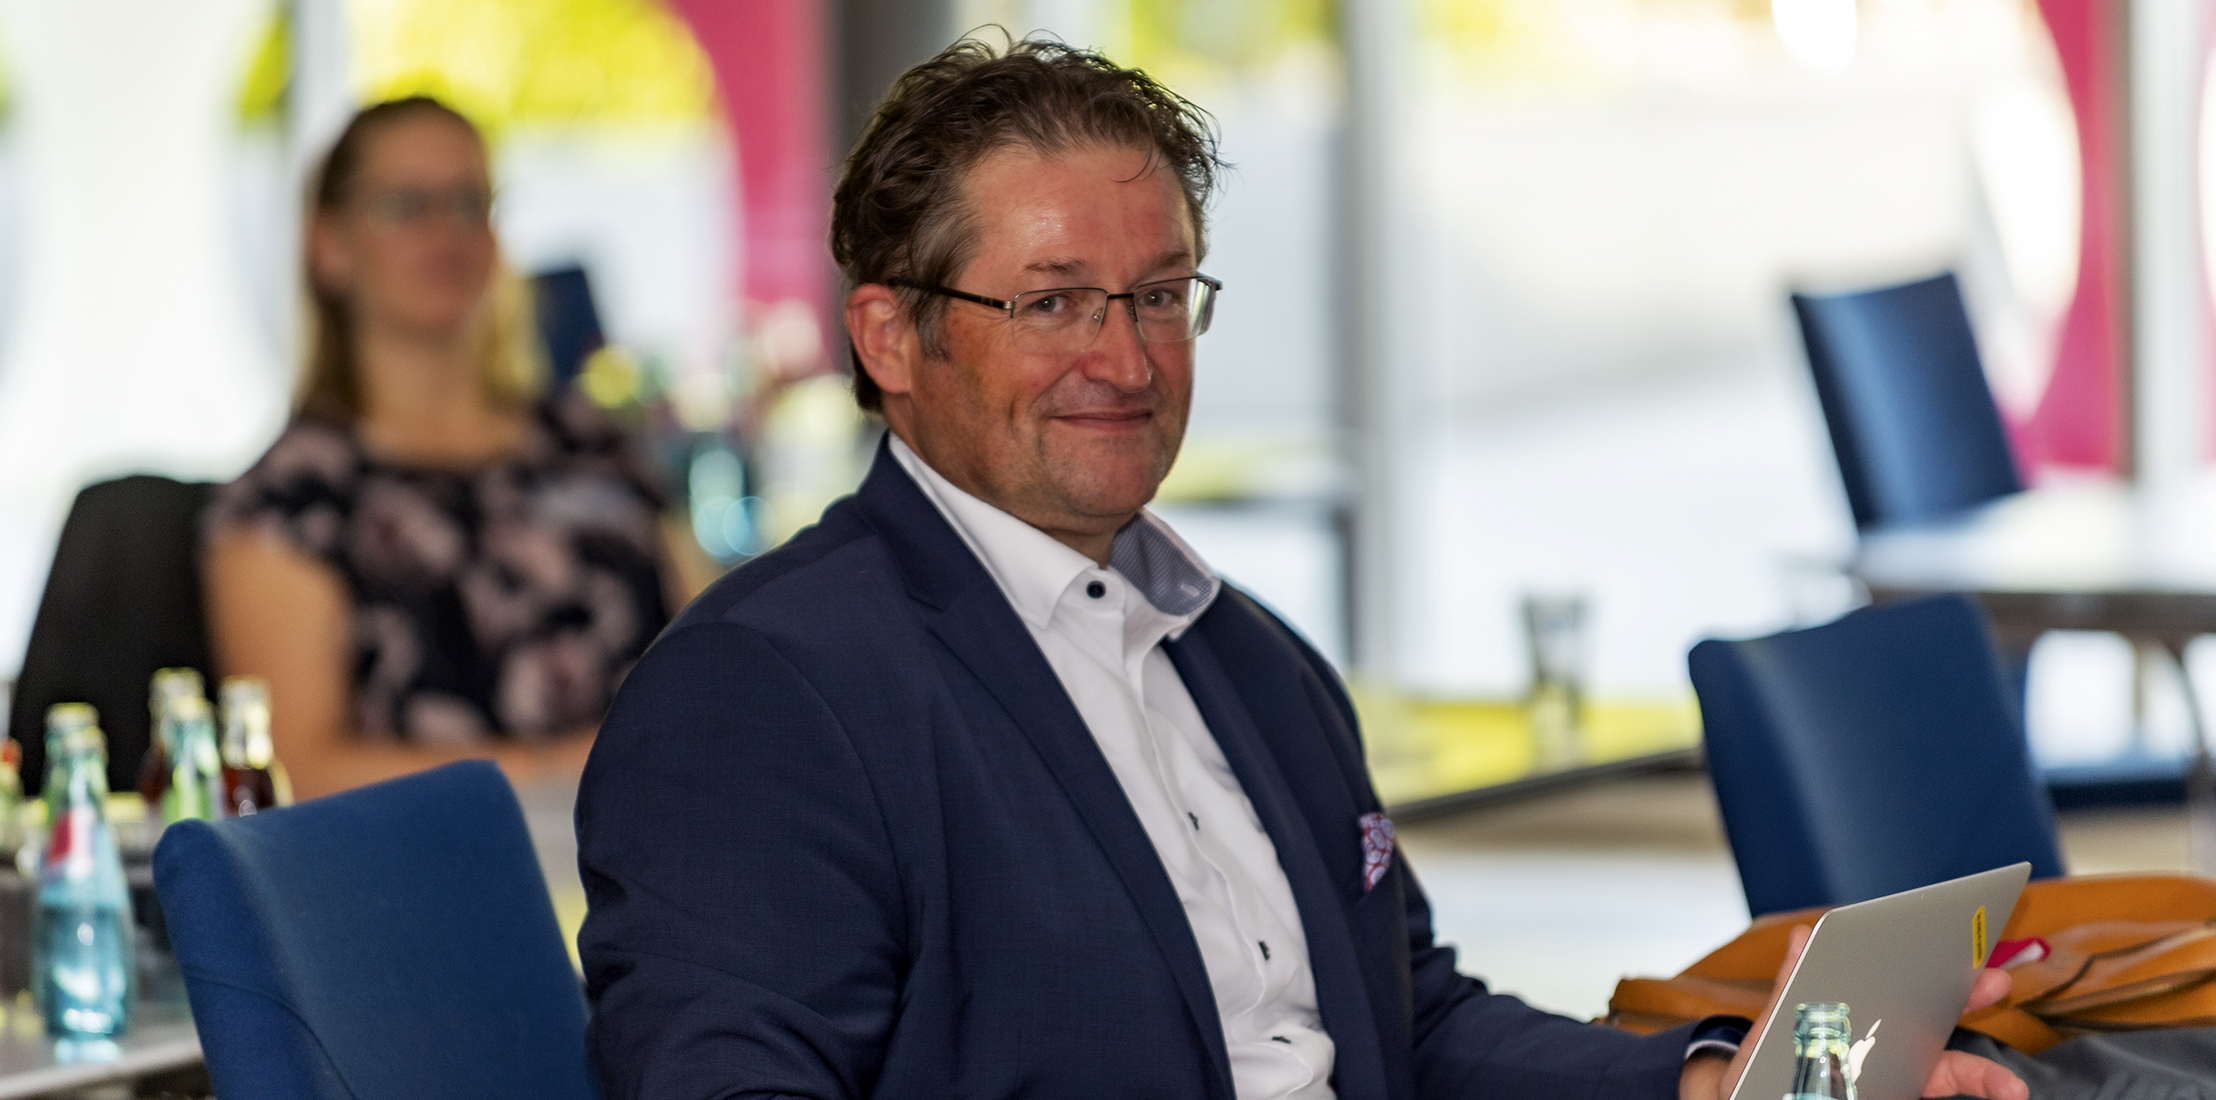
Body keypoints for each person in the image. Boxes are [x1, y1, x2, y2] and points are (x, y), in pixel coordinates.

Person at [575, 39, 2025, 1100]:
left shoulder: (1245, 653)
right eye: (1054, 302)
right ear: (892, 338)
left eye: (1159, 294)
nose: (1126, 359)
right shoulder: (765, 688)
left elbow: (1414, 1025)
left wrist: (1722, 1082)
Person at [205, 97, 695, 800]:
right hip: (440, 861)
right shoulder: (288, 500)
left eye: (470, 204)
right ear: (328, 245)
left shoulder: (592, 443)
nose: (446, 234)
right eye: (406, 206)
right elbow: (294, 771)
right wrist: (571, 770)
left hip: (665, 837)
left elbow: (723, 643)